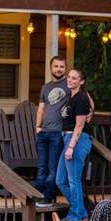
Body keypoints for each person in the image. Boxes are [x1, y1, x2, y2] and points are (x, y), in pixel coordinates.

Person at [55, 68, 92, 221]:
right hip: (68, 139)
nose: (70, 80)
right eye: (69, 77)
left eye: (74, 78)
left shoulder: (81, 98)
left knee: (73, 180)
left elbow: (80, 125)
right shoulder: (71, 97)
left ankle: (76, 216)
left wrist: (71, 147)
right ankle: (82, 212)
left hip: (77, 140)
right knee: (60, 180)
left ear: (81, 82)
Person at [34, 56, 68, 208]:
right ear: (50, 68)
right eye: (56, 66)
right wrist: (37, 126)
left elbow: (86, 98)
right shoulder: (45, 87)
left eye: (61, 66)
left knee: (52, 166)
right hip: (43, 132)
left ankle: (47, 197)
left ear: (65, 68)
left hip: (58, 133)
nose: (59, 69)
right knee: (42, 166)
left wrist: (90, 112)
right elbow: (41, 108)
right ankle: (38, 195)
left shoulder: (69, 84)